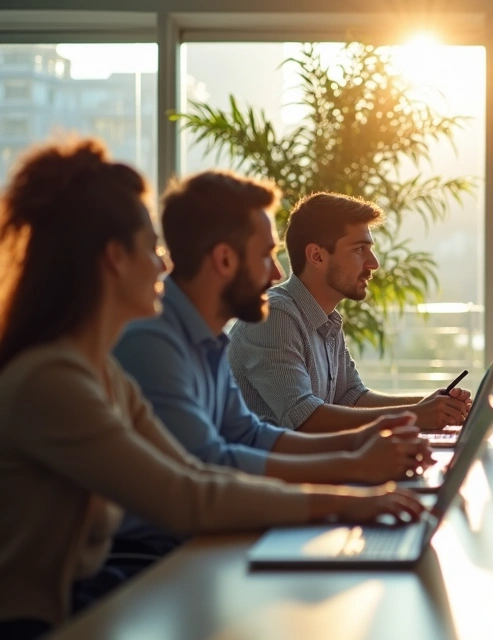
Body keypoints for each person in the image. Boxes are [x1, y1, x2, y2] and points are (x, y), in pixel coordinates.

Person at [0, 140, 425, 639]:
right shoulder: (57, 379)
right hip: (49, 618)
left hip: (105, 587)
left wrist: (353, 467)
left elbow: (212, 457)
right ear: (115, 259)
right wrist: (347, 491)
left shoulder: (103, 372)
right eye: (151, 250)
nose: (163, 266)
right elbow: (189, 492)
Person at [110, 172, 434, 549]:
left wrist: (364, 440)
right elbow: (214, 466)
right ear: (225, 259)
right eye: (266, 255)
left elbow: (249, 435)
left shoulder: (206, 337)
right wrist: (352, 475)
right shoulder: (153, 342)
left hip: (200, 541)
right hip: (153, 560)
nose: (278, 273)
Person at [228, 192, 471, 433]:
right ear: (317, 256)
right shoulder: (275, 316)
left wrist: (431, 403)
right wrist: (416, 415)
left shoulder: (326, 320)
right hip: (261, 471)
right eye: (359, 249)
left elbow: (352, 397)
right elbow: (305, 419)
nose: (373, 263)